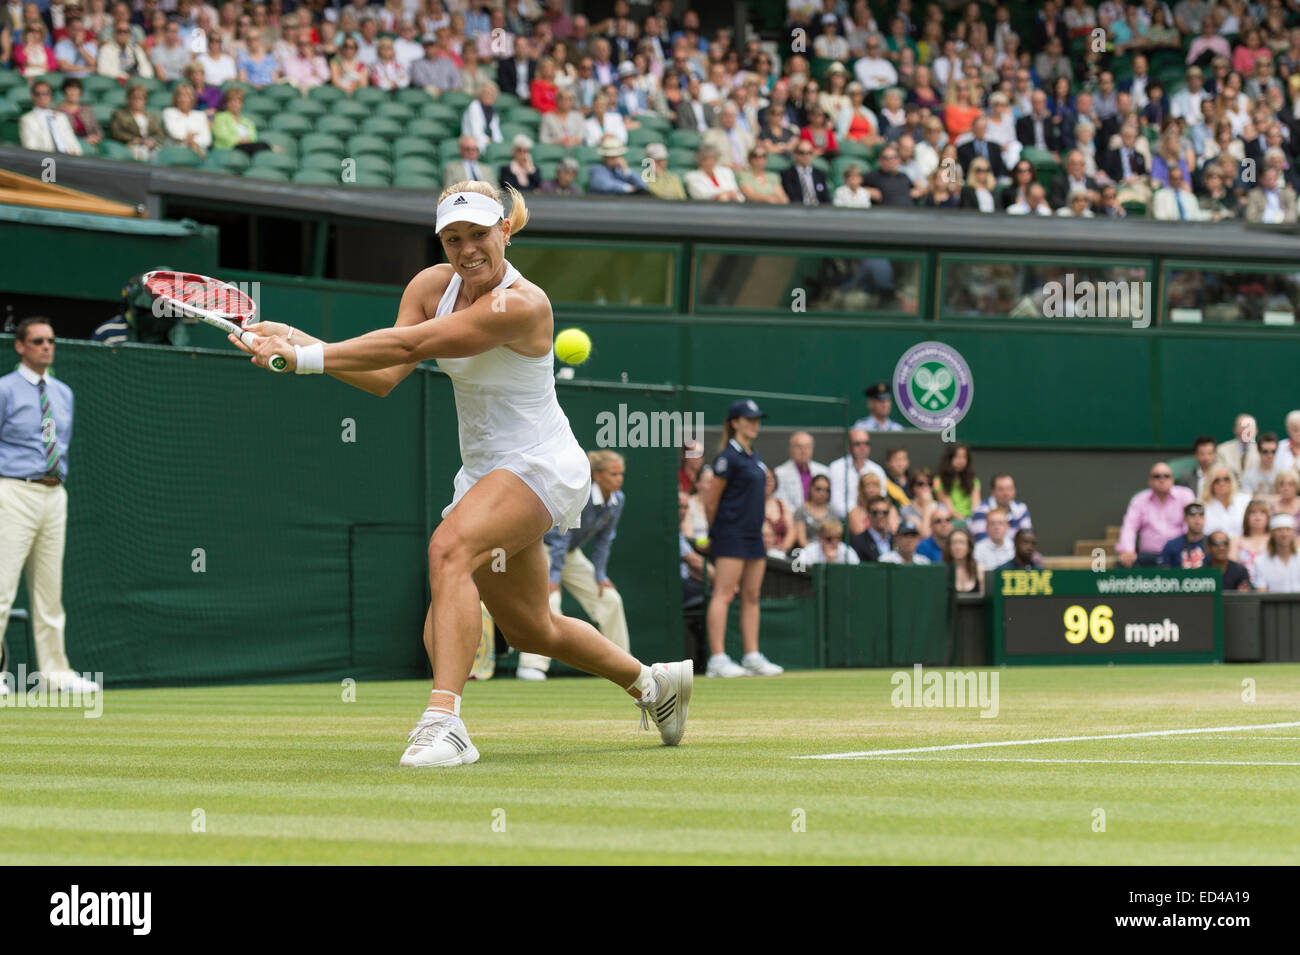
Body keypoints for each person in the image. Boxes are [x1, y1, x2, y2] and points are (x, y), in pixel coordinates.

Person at [234, 182, 693, 766]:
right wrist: (298, 342)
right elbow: (385, 372)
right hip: (484, 472)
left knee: (449, 549)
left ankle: (445, 721)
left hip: (540, 462)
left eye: (479, 234)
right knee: (532, 631)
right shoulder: (430, 286)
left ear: (505, 230)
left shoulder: (522, 303)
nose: (466, 248)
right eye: (453, 238)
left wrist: (304, 357)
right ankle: (656, 687)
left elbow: (419, 341)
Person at [0, 319, 98, 694]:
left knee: (49, 591)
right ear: (20, 347)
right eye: (37, 341)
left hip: (55, 494)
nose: (46, 346)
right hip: (13, 491)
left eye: (51, 341)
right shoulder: (5, 390)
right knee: (2, 587)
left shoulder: (63, 393)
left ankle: (56, 675)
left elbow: (61, 445)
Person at [516, 451, 630, 683]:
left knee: (610, 599)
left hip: (570, 555)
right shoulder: (583, 495)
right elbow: (560, 537)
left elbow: (605, 540)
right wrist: (554, 578)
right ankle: (532, 666)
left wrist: (600, 575)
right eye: (614, 474)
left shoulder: (618, 499)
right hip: (543, 549)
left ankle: (624, 666)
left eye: (621, 474)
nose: (620, 479)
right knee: (551, 600)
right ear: (597, 476)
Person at [698, 399, 783, 678]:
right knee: (724, 593)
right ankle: (718, 660)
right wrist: (716, 533)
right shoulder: (727, 457)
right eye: (749, 419)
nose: (755, 423)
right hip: (730, 534)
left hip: (753, 535)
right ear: (735, 422)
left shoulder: (753, 456)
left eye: (757, 418)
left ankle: (751, 656)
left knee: (752, 595)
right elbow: (711, 502)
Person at [1117, 461, 1196, 566]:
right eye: (1157, 476)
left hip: (1178, 555)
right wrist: (1128, 550)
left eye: (1166, 476)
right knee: (1125, 564)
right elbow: (1129, 526)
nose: (1162, 480)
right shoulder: (1140, 499)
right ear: (1150, 481)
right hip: (1148, 556)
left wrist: (1189, 548)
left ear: (1172, 480)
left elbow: (1190, 524)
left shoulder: (1185, 495)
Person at [19, 80, 83, 155]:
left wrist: (75, 153)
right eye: (38, 94)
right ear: (33, 97)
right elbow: (30, 148)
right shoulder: (27, 119)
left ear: (51, 96)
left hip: (68, 158)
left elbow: (73, 142)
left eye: (46, 94)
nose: (42, 97)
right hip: (46, 160)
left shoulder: (61, 117)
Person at [968, 474, 1033, 541]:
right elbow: (981, 538)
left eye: (1009, 488)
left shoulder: (1021, 508)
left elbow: (1027, 538)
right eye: (1001, 489)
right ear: (992, 492)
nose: (1006, 493)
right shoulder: (980, 510)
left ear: (1014, 491)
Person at [110, 81, 164, 161]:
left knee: (161, 154)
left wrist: (152, 141)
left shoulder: (152, 115)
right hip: (131, 145)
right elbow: (117, 133)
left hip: (151, 146)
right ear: (128, 99)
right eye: (134, 97)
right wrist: (135, 139)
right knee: (141, 153)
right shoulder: (119, 114)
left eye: (141, 98)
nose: (137, 100)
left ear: (145, 100)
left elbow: (159, 134)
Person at [1254, 514, 1300, 592]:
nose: (1284, 534)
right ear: (1272, 533)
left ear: (1293, 532)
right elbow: (1261, 593)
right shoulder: (1260, 561)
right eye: (1279, 530)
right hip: (1273, 604)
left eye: (1288, 529)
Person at [1201, 465, 1250, 538]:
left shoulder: (1243, 500)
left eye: (1226, 479)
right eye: (1217, 480)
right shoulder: (1204, 506)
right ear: (1210, 483)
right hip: (1215, 546)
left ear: (1231, 481)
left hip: (1243, 545)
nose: (1222, 483)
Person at [935, 442, 980, 520]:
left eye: (964, 457)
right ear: (949, 459)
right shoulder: (938, 480)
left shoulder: (974, 480)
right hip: (951, 521)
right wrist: (965, 522)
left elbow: (976, 506)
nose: (961, 461)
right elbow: (950, 510)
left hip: (971, 519)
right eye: (957, 457)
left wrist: (974, 520)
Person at [1159, 501, 1209, 567]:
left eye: (1201, 516)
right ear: (1185, 519)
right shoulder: (1172, 545)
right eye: (1192, 516)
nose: (1197, 521)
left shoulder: (1212, 544)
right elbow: (1164, 573)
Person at [781, 140, 830, 205]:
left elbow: (825, 196)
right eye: (802, 153)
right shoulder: (787, 174)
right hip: (798, 209)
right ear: (795, 154)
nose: (806, 156)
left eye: (809, 153)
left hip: (819, 209)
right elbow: (791, 197)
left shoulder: (819, 174)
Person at [848, 494, 893, 562]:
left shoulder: (895, 540)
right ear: (868, 514)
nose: (881, 516)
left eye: (885, 512)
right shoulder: (858, 541)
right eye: (875, 512)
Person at [792, 473, 832, 549]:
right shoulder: (801, 510)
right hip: (806, 553)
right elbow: (801, 540)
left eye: (826, 490)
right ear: (810, 488)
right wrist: (813, 554)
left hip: (828, 553)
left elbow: (834, 538)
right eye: (818, 489)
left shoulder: (833, 512)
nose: (822, 493)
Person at [1216, 414, 1261, 481]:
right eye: (1243, 427)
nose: (1246, 431)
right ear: (1235, 430)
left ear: (1256, 431)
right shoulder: (1222, 450)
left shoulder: (1263, 452)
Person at [763, 468, 797, 556]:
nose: (768, 482)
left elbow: (791, 530)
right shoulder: (751, 503)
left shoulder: (782, 504)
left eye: (771, 479)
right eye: (765, 479)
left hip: (779, 553)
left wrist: (783, 549)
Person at [944, 527, 983, 594]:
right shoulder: (943, 571)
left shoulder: (980, 569)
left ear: (969, 546)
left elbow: (986, 599)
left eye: (962, 543)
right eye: (954, 543)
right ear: (949, 547)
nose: (958, 547)